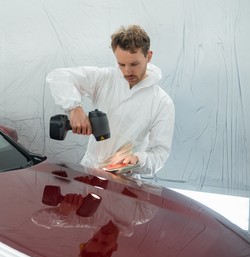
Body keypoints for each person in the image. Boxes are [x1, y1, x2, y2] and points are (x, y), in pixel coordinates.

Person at [46, 25, 175, 177]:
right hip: (89, 172)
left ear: (149, 56)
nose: (127, 71)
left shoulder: (162, 102)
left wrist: (137, 160)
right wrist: (74, 108)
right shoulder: (105, 79)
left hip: (125, 182)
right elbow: (58, 77)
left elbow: (160, 153)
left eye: (134, 64)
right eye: (121, 64)